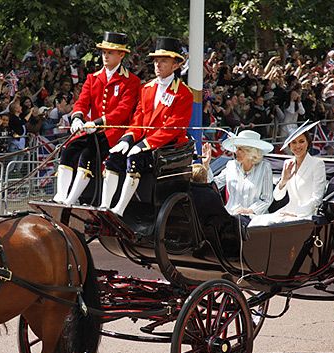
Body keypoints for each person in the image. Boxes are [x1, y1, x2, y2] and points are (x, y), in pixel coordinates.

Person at [102, 37, 192, 216]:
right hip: (144, 141)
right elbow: (138, 120)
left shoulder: (183, 93)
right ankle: (104, 207)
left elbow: (172, 127)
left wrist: (144, 145)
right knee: (114, 157)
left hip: (168, 146)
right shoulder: (147, 89)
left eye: (163, 61)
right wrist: (127, 139)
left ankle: (119, 210)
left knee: (135, 160)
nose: (157, 65)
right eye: (156, 61)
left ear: (175, 65)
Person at [53, 31, 141, 205]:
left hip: (114, 133)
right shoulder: (92, 78)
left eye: (110, 52)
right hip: (92, 129)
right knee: (68, 149)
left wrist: (96, 123)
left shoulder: (131, 81)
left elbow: (122, 111)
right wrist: (77, 118)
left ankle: (71, 200)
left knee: (87, 154)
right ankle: (61, 196)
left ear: (121, 54)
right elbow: (82, 102)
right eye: (104, 52)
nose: (105, 56)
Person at [249, 120, 327, 226]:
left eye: (301, 141)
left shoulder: (317, 164)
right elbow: (277, 197)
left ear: (308, 142)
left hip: (306, 214)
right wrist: (284, 180)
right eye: (293, 142)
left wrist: (296, 213)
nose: (297, 146)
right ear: (289, 146)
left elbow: (317, 199)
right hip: (287, 211)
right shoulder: (288, 163)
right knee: (256, 221)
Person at [213, 130, 274, 217]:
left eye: (240, 149)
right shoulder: (231, 165)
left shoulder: (264, 168)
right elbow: (214, 184)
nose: (236, 152)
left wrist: (249, 210)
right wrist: (206, 166)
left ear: (251, 152)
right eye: (236, 148)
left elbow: (267, 199)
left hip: (254, 219)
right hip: (231, 216)